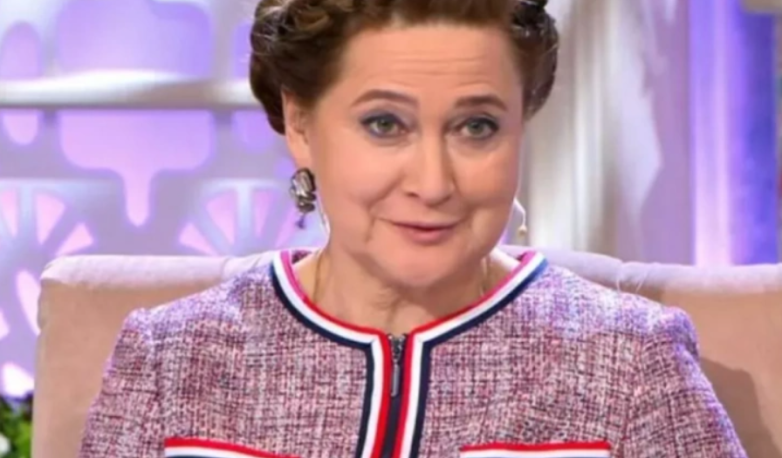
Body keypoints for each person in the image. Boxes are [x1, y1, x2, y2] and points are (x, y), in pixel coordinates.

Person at [79, 0, 747, 457]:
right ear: (301, 124)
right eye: (384, 124)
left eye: (476, 126)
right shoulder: (170, 358)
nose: (433, 182)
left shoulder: (629, 360)